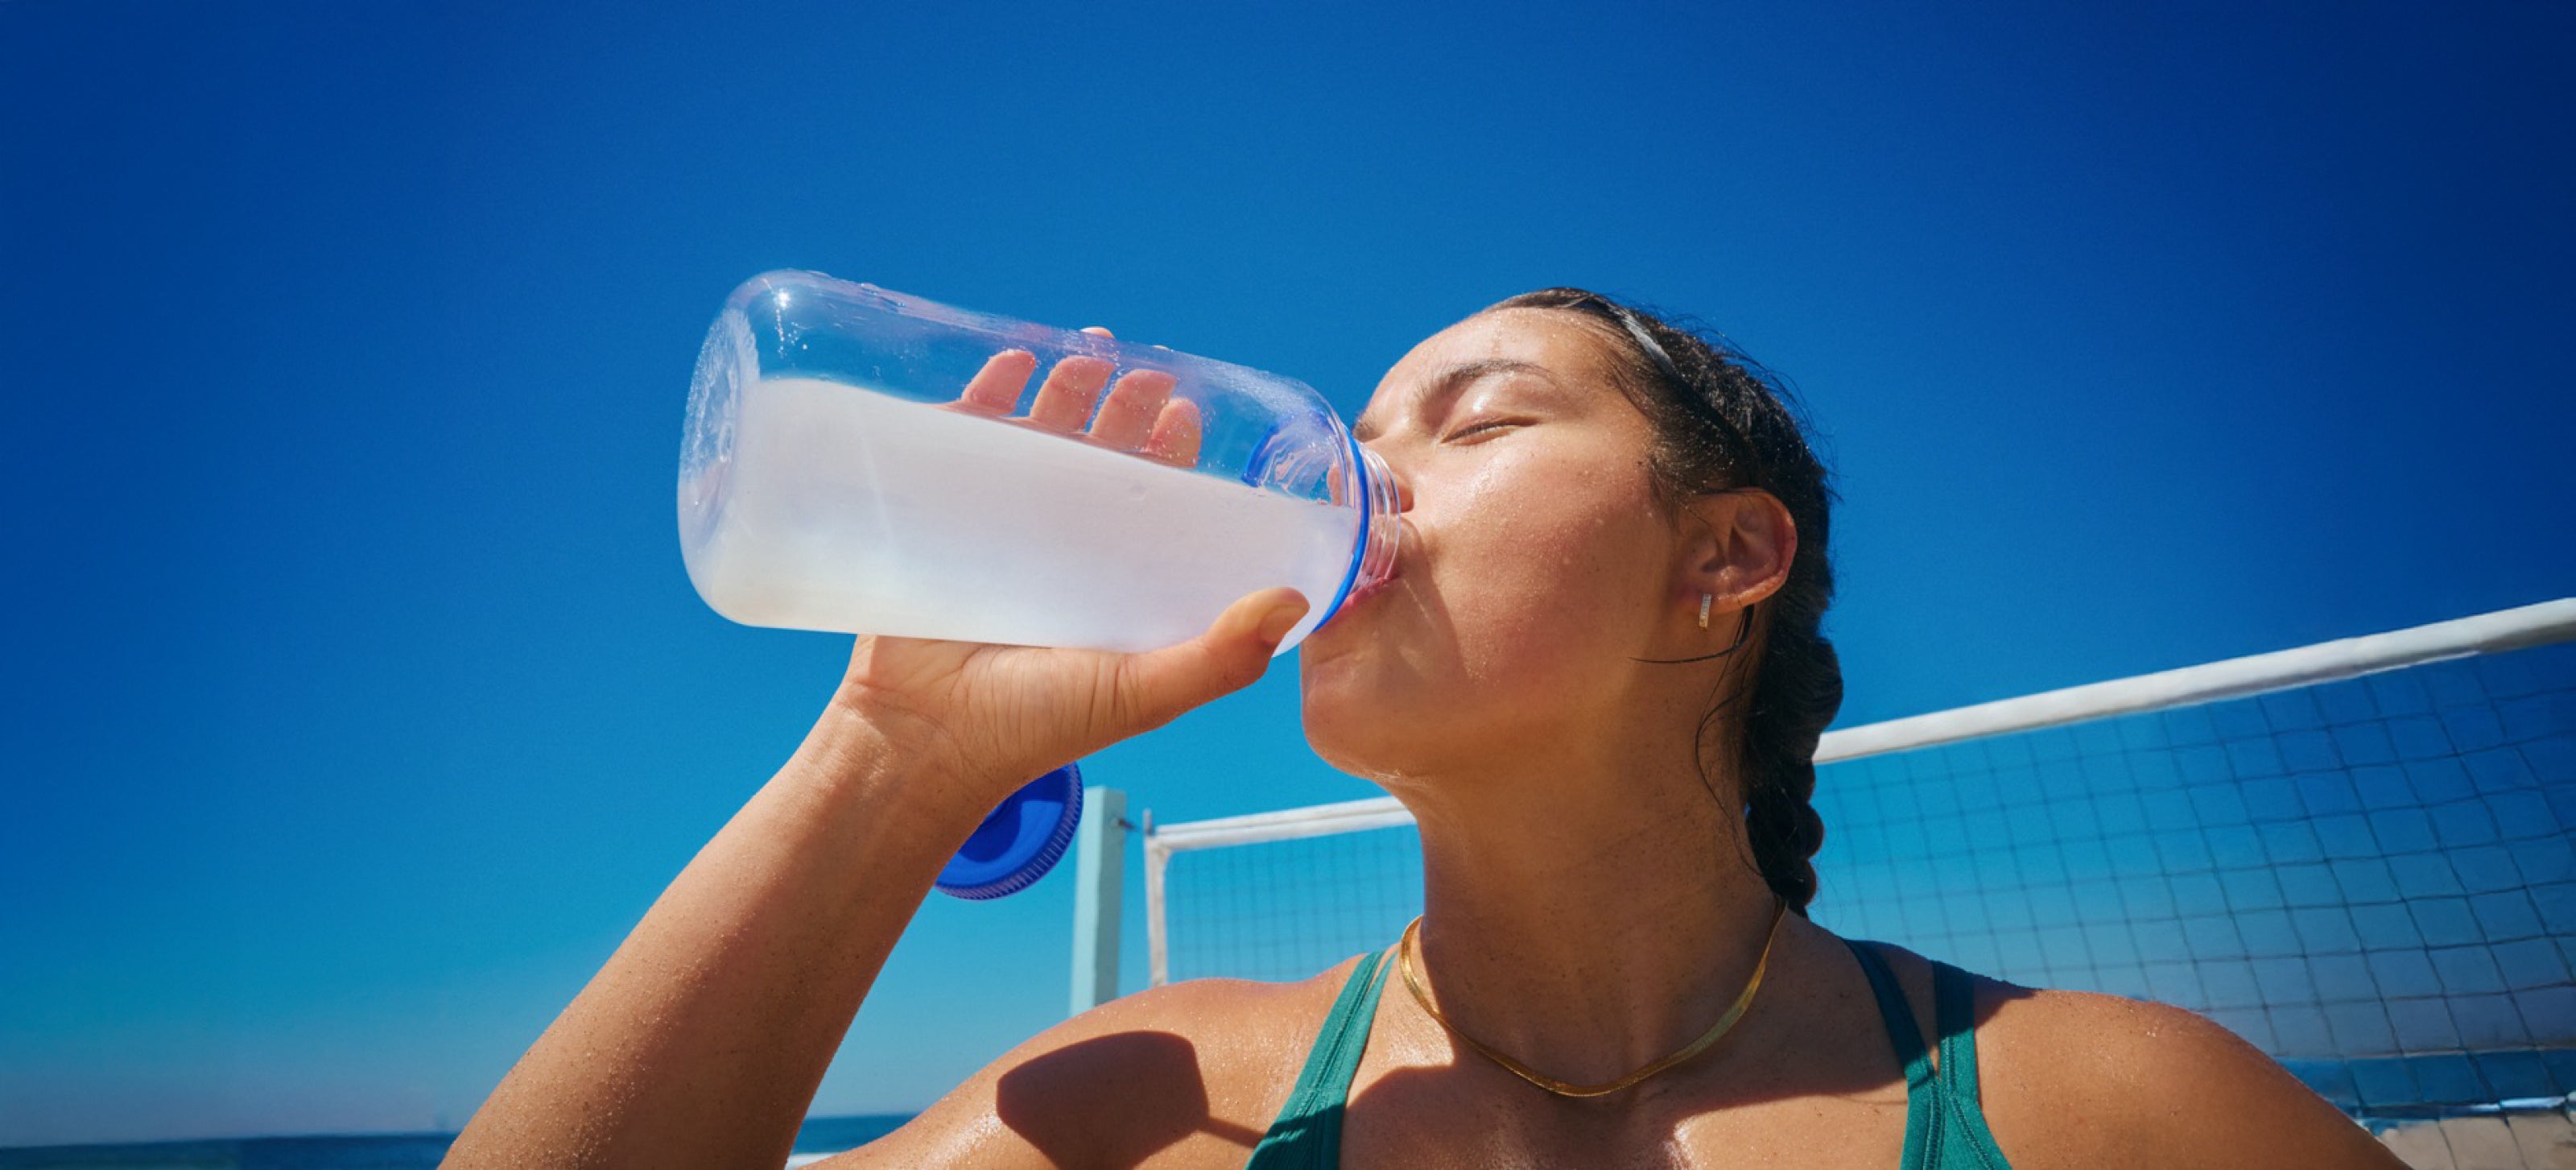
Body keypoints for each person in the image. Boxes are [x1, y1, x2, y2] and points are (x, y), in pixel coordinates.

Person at [447, 291, 2403, 1168]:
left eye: (1470, 425)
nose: (1352, 491)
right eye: (1356, 441)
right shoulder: (1157, 1105)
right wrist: (890, 757)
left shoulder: (2107, 1116)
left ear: (1724, 559)